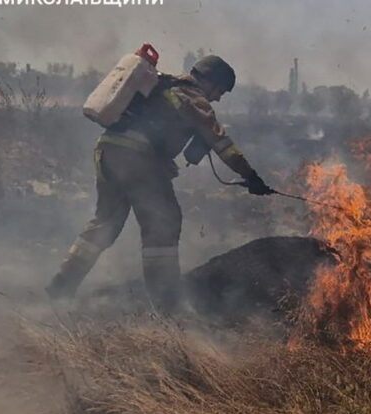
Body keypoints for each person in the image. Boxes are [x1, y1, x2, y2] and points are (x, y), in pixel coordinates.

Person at [46, 55, 273, 313]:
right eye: (220, 91)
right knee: (164, 223)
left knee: (105, 224)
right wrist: (251, 176)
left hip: (108, 151)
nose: (218, 98)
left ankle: (61, 286)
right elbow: (222, 143)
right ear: (209, 81)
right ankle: (167, 304)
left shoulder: (163, 87)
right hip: (137, 158)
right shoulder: (192, 96)